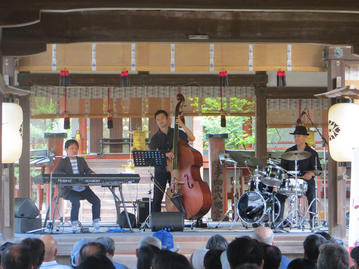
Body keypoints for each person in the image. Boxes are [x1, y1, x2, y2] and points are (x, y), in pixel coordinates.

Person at [149, 110, 195, 212]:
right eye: (157, 119)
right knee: (157, 197)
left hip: (176, 169)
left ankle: (178, 218)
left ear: (167, 120)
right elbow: (152, 154)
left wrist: (182, 124)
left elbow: (192, 138)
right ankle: (156, 223)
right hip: (161, 169)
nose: (160, 121)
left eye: (162, 118)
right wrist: (165, 154)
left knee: (177, 195)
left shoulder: (177, 133)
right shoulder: (154, 139)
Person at [54, 139, 101, 233]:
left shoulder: (81, 160)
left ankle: (96, 222)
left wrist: (91, 173)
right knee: (76, 202)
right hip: (69, 189)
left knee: (96, 201)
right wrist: (69, 177)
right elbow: (57, 173)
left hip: (83, 187)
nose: (74, 150)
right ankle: (74, 223)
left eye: (76, 148)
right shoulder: (63, 161)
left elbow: (87, 170)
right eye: (71, 148)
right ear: (66, 150)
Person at [280, 126, 322, 225]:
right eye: (295, 136)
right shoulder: (288, 152)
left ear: (304, 137)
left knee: (311, 192)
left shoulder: (312, 153)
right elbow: (283, 169)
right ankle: (281, 219)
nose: (296, 138)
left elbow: (319, 170)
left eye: (298, 136)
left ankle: (312, 218)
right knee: (279, 194)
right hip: (291, 180)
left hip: (305, 180)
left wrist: (311, 173)